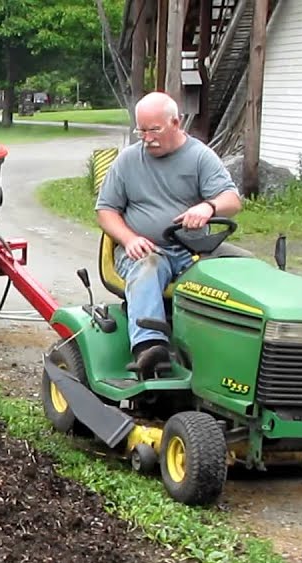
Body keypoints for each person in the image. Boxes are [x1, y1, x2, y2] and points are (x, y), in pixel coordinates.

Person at [95, 91, 250, 374]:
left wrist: (208, 206)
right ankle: (150, 349)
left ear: (176, 123)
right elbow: (105, 211)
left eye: (154, 130)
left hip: (193, 250)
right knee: (148, 266)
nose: (147, 138)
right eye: (141, 130)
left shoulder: (201, 157)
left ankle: (234, 353)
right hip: (147, 249)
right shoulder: (128, 161)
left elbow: (232, 200)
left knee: (246, 269)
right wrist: (130, 239)